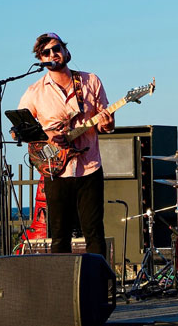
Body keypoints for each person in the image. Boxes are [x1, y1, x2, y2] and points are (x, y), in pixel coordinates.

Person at [18, 32, 114, 257]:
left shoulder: (90, 81)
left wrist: (108, 124)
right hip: (56, 170)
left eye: (57, 48)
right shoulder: (35, 92)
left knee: (94, 232)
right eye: (47, 52)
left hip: (89, 167)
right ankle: (60, 289)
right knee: (59, 235)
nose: (53, 54)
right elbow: (21, 129)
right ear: (41, 60)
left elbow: (104, 125)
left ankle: (98, 286)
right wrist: (48, 137)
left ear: (66, 50)